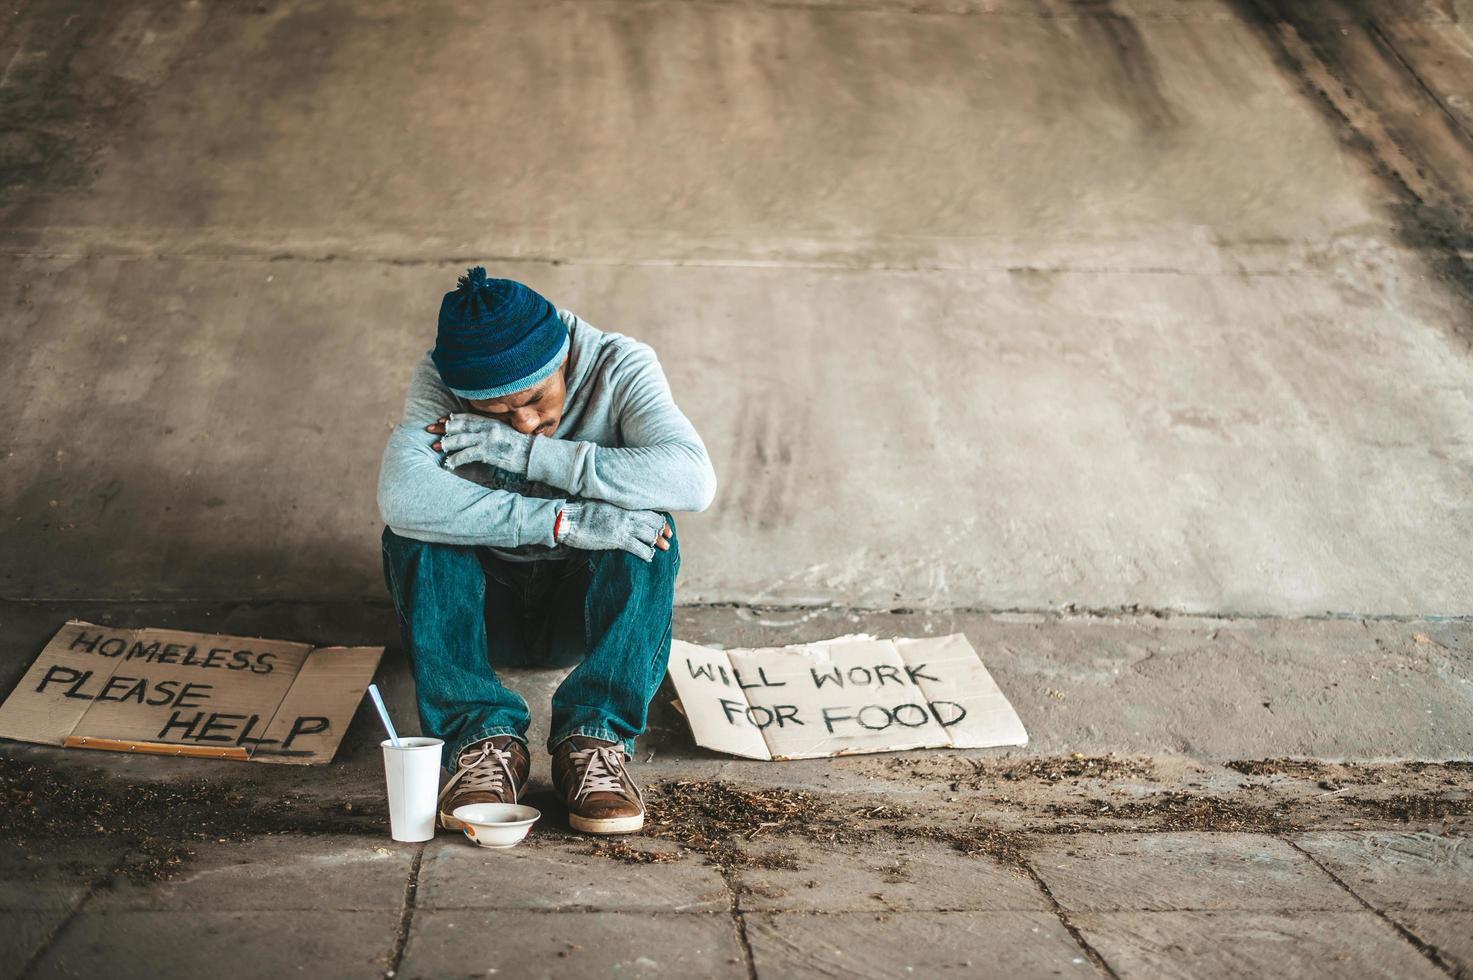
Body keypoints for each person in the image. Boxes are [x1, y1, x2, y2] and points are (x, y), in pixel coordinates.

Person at [376, 268, 716, 835]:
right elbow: (402, 494)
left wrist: (530, 457)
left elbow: (693, 480)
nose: (527, 422)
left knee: (647, 529)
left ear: (565, 357)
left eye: (535, 398)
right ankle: (482, 739)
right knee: (414, 533)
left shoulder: (620, 363)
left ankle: (595, 741)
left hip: (577, 611)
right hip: (484, 611)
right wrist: (565, 520)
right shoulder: (442, 376)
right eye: (496, 413)